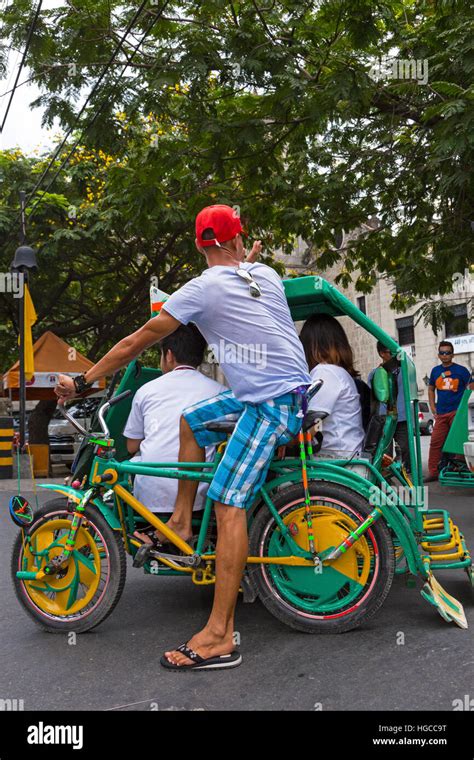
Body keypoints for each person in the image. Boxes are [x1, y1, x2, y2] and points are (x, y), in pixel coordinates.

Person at [54, 203, 311, 672]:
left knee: (228, 503)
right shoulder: (266, 274)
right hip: (282, 393)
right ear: (240, 239)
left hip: (272, 404)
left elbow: (136, 341)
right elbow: (248, 271)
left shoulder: (203, 287)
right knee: (192, 420)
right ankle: (182, 522)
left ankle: (219, 636)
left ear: (198, 245)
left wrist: (83, 381)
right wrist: (247, 256)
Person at [123, 324, 226, 538]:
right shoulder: (220, 392)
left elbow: (131, 446)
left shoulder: (146, 391)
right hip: (201, 501)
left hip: (150, 503)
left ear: (169, 356)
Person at [300, 313, 365, 459]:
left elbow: (310, 425)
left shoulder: (325, 373)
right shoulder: (338, 373)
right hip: (345, 454)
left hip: (334, 459)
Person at [426, 341, 472, 482]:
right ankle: (433, 472)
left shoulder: (462, 371)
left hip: (456, 413)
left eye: (447, 353)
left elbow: (470, 388)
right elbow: (431, 389)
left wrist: (464, 409)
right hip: (441, 413)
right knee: (435, 442)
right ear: (438, 355)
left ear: (452, 354)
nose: (444, 355)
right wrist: (433, 407)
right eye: (442, 353)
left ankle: (461, 469)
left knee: (458, 442)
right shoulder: (435, 371)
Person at [368, 341, 410, 471]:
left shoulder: (404, 369)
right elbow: (372, 398)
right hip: (383, 417)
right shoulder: (375, 373)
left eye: (395, 351)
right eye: (390, 351)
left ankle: (406, 473)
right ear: (382, 353)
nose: (394, 354)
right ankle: (386, 477)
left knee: (405, 448)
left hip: (402, 417)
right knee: (385, 451)